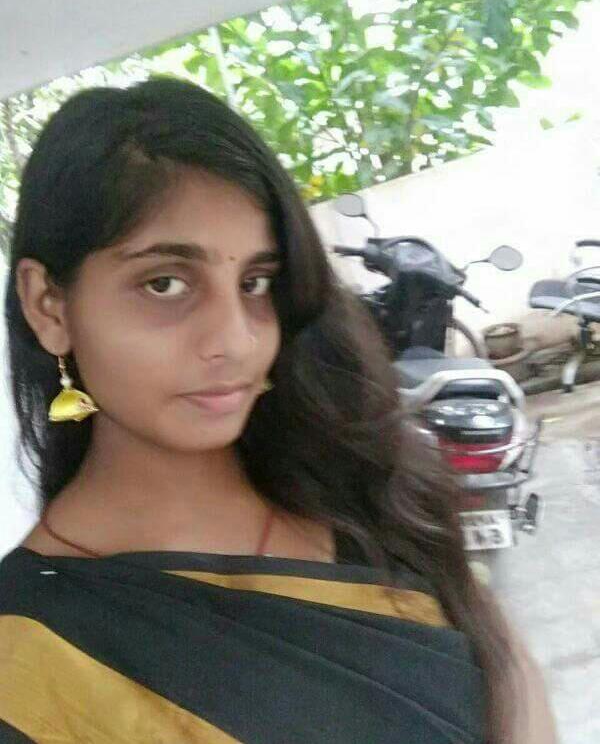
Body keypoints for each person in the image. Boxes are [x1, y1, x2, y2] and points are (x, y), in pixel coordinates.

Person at [0, 77, 555, 743]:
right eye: (164, 283)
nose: (236, 340)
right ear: (49, 306)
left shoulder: (364, 494)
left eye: (255, 283)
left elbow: (507, 677)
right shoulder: (27, 662)